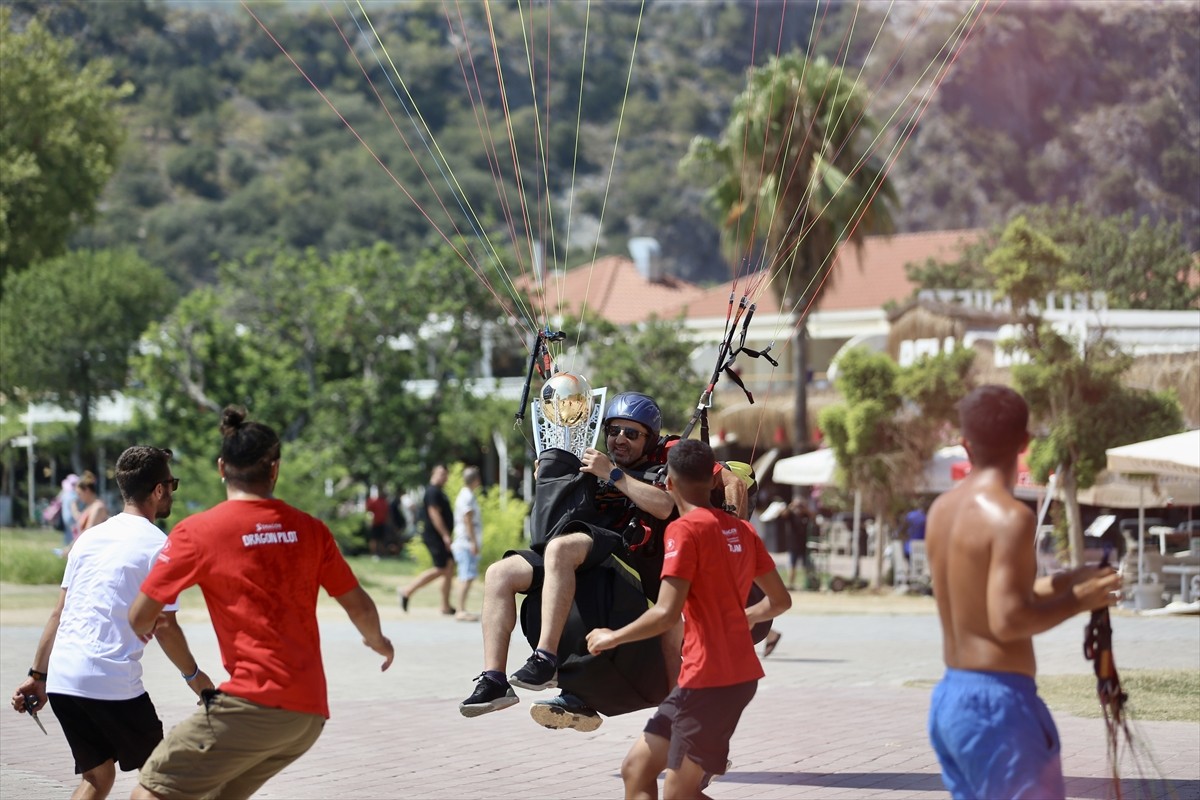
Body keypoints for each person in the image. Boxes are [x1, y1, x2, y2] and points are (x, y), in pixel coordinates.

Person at [128, 406, 394, 800]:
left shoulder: (197, 532)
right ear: (274, 470)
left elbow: (140, 616)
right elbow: (359, 607)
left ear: (222, 467)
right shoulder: (311, 529)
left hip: (251, 706)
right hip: (307, 715)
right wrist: (378, 642)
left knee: (151, 790)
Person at [926, 385, 1122, 800]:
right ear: (1024, 442)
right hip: (999, 707)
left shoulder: (941, 511)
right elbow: (1008, 619)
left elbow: (996, 596)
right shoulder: (1012, 517)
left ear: (965, 443)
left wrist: (1067, 580)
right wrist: (1078, 601)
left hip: (951, 699)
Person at [585, 438, 792, 799]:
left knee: (679, 795)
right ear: (713, 481)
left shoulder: (684, 530)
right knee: (636, 771)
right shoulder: (743, 530)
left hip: (712, 683)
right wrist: (744, 617)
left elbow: (666, 614)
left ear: (668, 482)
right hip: (715, 678)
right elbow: (779, 601)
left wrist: (612, 637)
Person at [458, 392, 675, 731]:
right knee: (500, 572)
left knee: (561, 549)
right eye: (614, 430)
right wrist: (550, 476)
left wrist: (613, 474)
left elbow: (664, 507)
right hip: (583, 548)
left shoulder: (655, 469)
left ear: (650, 439)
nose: (620, 439)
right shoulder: (590, 460)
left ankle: (545, 658)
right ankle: (494, 680)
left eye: (632, 434)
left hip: (621, 554)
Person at [9, 446, 212, 800]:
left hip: (63, 680)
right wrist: (199, 682)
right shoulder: (161, 547)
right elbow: (164, 626)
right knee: (160, 780)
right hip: (109, 680)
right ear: (159, 489)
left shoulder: (89, 538)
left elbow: (59, 613)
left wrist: (38, 676)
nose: (172, 492)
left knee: (98, 776)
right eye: (172, 484)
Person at [399, 464, 457, 615]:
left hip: (441, 536)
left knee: (449, 566)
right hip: (434, 535)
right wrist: (445, 535)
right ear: (433, 474)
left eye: (445, 474)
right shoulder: (432, 492)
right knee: (441, 568)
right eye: (440, 473)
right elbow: (434, 514)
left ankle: (445, 605)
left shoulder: (440, 492)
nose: (443, 477)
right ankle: (407, 591)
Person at [451, 466, 484, 621]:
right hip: (465, 541)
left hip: (464, 540)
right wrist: (473, 542)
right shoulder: (467, 497)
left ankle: (461, 608)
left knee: (467, 575)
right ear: (475, 480)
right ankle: (460, 609)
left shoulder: (466, 495)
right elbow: (468, 520)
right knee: (466, 575)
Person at [74, 471, 109, 536]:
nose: (78, 497)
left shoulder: (98, 507)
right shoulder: (91, 506)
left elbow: (87, 534)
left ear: (87, 490)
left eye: (79, 494)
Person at [365, 485, 389, 560]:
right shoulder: (376, 501)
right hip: (376, 523)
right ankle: (375, 554)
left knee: (379, 539)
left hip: (380, 523)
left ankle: (380, 554)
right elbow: (369, 511)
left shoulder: (383, 502)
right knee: (375, 539)